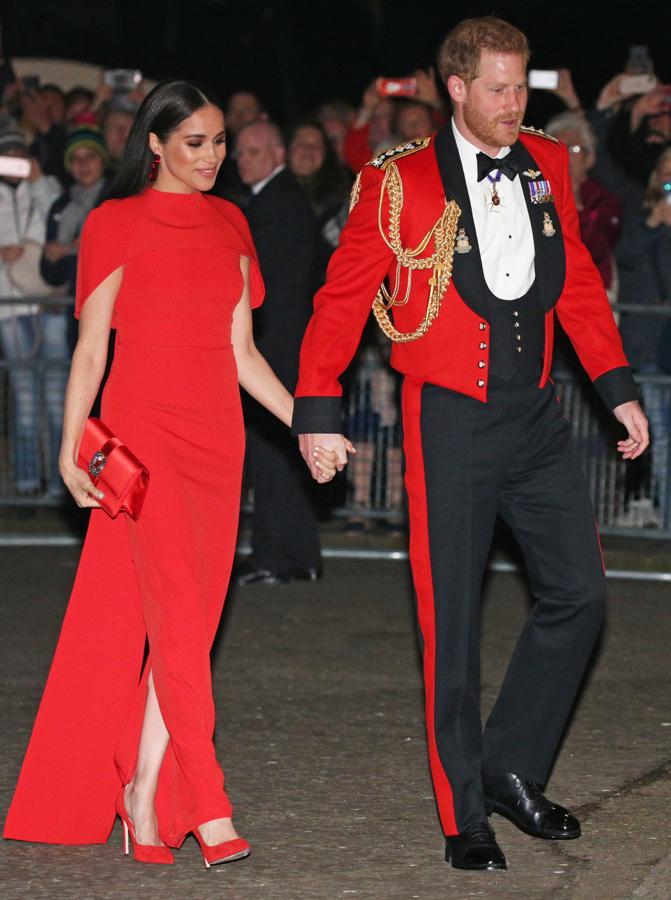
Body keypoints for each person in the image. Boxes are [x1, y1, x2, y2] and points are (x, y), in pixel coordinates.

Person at [292, 16, 649, 872]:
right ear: (453, 88)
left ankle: (510, 766)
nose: (510, 103)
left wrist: (617, 390)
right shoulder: (398, 180)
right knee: (449, 622)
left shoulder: (548, 166)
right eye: (495, 88)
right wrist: (316, 409)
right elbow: (342, 300)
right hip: (445, 417)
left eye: (518, 87)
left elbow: (580, 290)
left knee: (580, 595)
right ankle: (464, 813)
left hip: (534, 418)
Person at [2, 80, 337, 865]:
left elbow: (243, 356)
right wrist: (67, 446)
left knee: (184, 626)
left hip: (218, 444)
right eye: (196, 142)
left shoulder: (231, 223)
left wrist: (308, 425)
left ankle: (141, 793)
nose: (213, 156)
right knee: (183, 622)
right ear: (153, 145)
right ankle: (211, 805)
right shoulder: (114, 223)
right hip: (142, 441)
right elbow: (90, 348)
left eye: (220, 141)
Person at [234, 120, 326, 585]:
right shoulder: (279, 200)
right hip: (285, 348)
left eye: (251, 151)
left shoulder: (276, 204)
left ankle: (275, 556)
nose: (240, 159)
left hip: (275, 350)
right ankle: (298, 556)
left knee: (272, 457)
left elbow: (264, 286)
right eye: (241, 152)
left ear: (276, 152)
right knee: (284, 456)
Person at [0, 117, 62, 497]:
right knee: (24, 398)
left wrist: (36, 177)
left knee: (56, 396)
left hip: (48, 304)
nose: (13, 159)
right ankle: (26, 481)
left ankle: (58, 483)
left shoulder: (45, 186)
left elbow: (59, 211)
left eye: (19, 153)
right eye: (5, 154)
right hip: (7, 310)